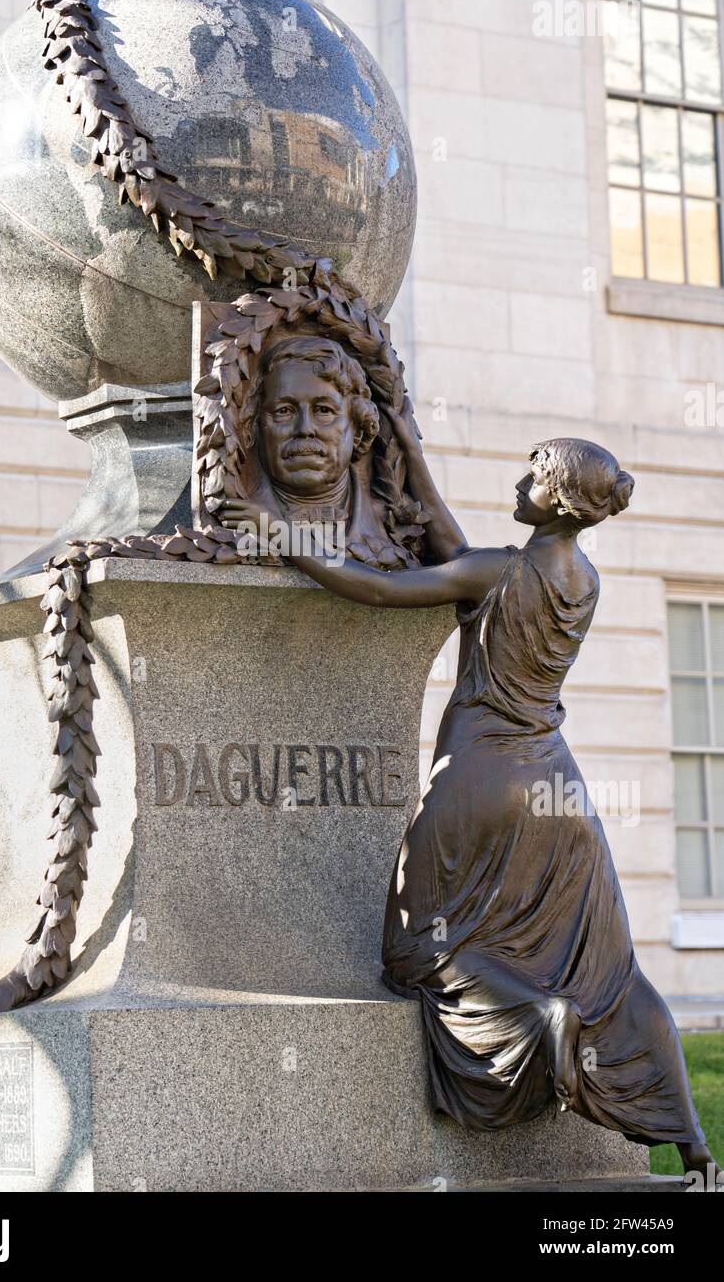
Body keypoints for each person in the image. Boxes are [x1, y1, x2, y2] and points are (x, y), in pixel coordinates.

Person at [221, 400, 722, 1186]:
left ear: (556, 498)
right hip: (557, 794)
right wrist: (409, 449)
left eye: (533, 472)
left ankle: (534, 1024)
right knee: (608, 973)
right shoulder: (581, 581)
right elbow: (459, 551)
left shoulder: (499, 572)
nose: (519, 480)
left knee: (424, 945)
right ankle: (688, 1137)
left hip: (477, 780)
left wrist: (279, 533)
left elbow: (381, 590)